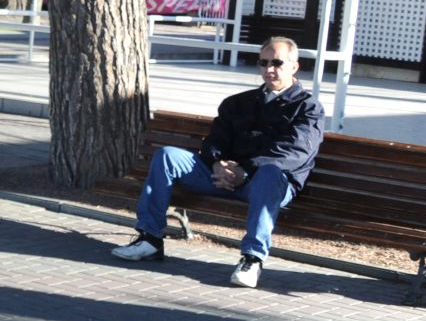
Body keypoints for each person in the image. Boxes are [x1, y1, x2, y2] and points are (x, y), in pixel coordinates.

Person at [112, 36, 324, 288]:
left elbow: (293, 152)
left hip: (267, 184)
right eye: (263, 62)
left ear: (294, 66)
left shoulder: (308, 108)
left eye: (277, 63)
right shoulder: (238, 103)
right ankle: (150, 239)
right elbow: (214, 140)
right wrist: (216, 164)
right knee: (167, 156)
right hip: (223, 177)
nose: (269, 69)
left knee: (271, 172)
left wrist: (245, 171)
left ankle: (252, 259)